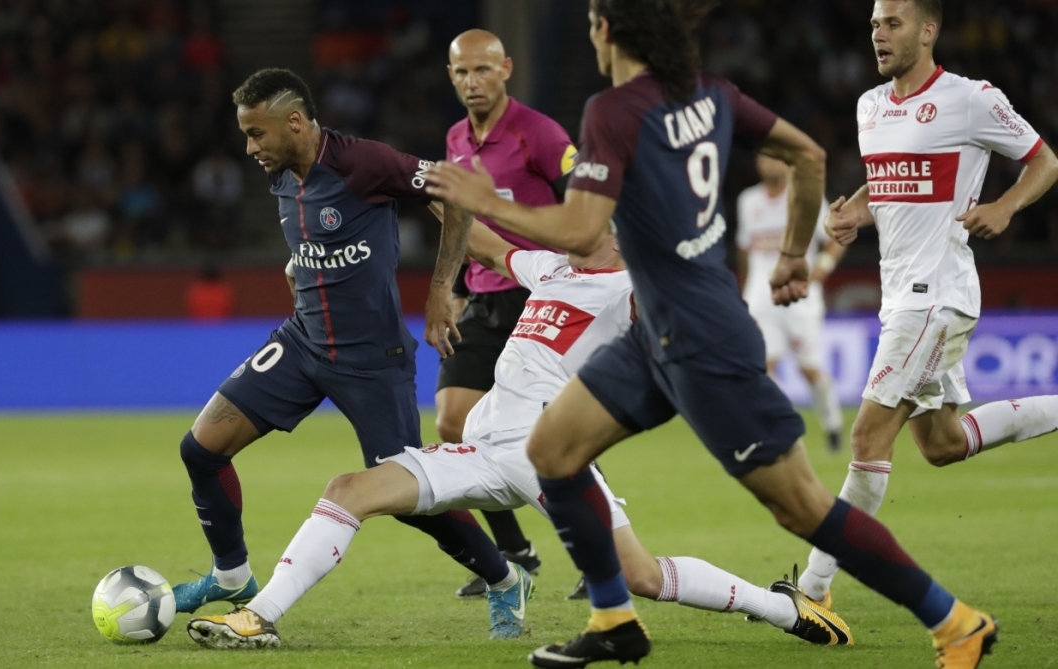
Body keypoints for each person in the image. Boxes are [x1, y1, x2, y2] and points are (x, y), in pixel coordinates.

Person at [426, 1, 1004, 667]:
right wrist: (793, 253)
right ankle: (615, 617)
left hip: (703, 341)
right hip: (657, 333)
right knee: (553, 450)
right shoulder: (711, 93)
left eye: (592, 23)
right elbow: (807, 154)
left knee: (802, 507)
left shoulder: (611, 112)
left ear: (607, 30)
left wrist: (486, 201)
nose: (590, 34)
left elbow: (584, 234)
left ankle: (952, 618)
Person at [185, 220, 852, 650]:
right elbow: (485, 240)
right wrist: (423, 189)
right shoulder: (552, 267)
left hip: (550, 454)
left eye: (585, 215)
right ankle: (259, 615)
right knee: (349, 487)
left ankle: (781, 609)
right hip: (484, 449)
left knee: (642, 576)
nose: (572, 219)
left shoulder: (631, 286)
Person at [170, 68, 517, 642]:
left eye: (256, 134)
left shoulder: (365, 163)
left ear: (296, 122)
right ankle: (231, 578)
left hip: (372, 360)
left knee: (409, 499)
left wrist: (438, 291)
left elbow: (453, 193)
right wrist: (297, 274)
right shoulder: (281, 173)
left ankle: (505, 579)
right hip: (301, 344)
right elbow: (310, 245)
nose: (250, 148)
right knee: (200, 450)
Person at [797, 0, 1058, 613]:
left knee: (866, 434)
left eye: (892, 24)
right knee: (941, 444)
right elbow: (889, 179)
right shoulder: (869, 106)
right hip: (901, 299)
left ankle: (812, 590)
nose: (878, 35)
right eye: (873, 26)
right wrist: (856, 211)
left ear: (928, 30)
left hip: (937, 296)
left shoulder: (971, 99)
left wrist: (1003, 207)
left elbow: (1044, 161)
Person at [438, 28, 582, 600]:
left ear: (506, 70)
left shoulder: (541, 134)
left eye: (482, 70)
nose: (472, 82)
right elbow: (457, 221)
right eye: (461, 73)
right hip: (484, 299)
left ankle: (598, 552)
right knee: (453, 422)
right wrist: (450, 285)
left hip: (540, 296)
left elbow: (586, 209)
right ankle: (513, 552)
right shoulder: (453, 138)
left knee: (561, 435)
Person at [736, 154, 846, 452]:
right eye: (764, 158)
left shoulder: (804, 195)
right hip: (760, 298)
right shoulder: (748, 200)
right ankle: (782, 430)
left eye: (776, 159)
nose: (768, 164)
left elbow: (835, 236)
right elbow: (744, 250)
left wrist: (823, 265)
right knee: (763, 366)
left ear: (787, 164)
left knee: (809, 368)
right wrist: (744, 288)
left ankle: (833, 425)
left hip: (800, 297)